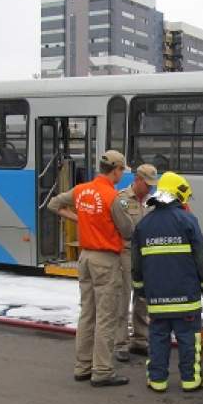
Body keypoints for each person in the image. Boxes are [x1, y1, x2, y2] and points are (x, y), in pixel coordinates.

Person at [48, 150, 133, 387]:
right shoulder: (112, 196)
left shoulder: (81, 190)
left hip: (85, 258)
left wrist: (79, 219)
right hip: (105, 260)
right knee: (107, 317)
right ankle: (102, 370)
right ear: (115, 169)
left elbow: (54, 205)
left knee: (87, 314)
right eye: (121, 170)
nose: (121, 174)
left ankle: (82, 366)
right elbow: (127, 230)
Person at [131, 171, 203, 393]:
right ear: (178, 196)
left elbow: (137, 263)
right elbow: (201, 256)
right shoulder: (188, 220)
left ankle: (157, 381)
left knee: (158, 338)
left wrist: (140, 289)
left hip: (157, 298)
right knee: (189, 339)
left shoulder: (144, 224)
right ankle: (191, 381)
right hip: (186, 298)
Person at [114, 164, 158, 362]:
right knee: (123, 298)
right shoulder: (122, 198)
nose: (150, 188)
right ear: (138, 179)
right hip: (126, 254)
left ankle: (140, 340)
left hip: (146, 255)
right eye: (147, 184)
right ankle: (120, 344)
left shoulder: (154, 201)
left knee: (142, 299)